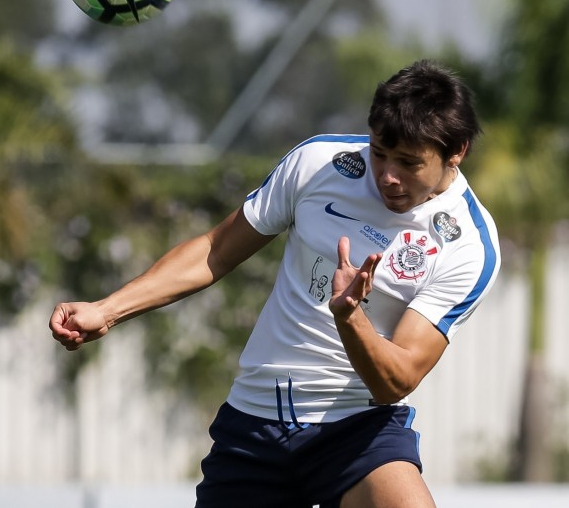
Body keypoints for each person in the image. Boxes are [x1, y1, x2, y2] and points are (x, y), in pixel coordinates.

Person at [49, 60, 501, 507]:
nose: (387, 175)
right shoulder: (318, 164)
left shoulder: (469, 246)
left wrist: (349, 317)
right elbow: (217, 250)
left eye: (408, 163)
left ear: (456, 151)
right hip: (256, 420)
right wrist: (107, 309)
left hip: (356, 430)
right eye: (380, 151)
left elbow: (395, 380)